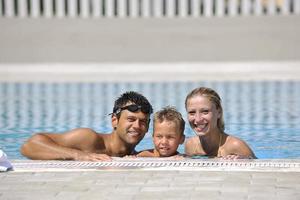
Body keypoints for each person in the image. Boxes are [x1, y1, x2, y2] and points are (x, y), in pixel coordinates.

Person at [20, 91, 153, 161]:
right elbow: (30, 145)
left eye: (142, 122)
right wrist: (79, 155)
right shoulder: (89, 139)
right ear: (114, 120)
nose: (137, 126)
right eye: (131, 119)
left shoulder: (134, 156)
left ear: (147, 127)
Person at [184, 87, 256, 159]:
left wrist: (244, 160)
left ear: (219, 112)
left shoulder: (236, 146)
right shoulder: (190, 145)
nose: (198, 119)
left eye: (205, 111)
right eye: (192, 112)